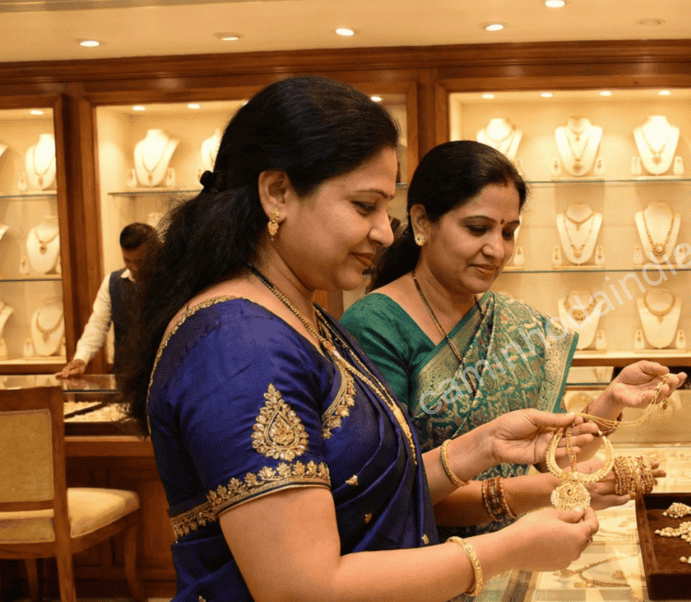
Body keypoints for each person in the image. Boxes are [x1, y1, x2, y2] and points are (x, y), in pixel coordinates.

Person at [120, 76, 599, 602]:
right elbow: (300, 586)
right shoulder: (238, 345)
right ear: (278, 192)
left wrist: (478, 448)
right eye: (363, 206)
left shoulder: (294, 312)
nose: (385, 232)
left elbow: (362, 492)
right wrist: (506, 550)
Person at [342, 140, 687, 538]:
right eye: (477, 228)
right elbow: (391, 492)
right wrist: (550, 492)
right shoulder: (376, 326)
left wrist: (610, 402)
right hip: (425, 565)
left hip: (516, 555)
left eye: (508, 232)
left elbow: (551, 456)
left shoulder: (514, 323)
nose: (497, 249)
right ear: (422, 223)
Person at [56, 222, 158, 378]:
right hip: (125, 377)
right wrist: (81, 359)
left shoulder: (171, 282)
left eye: (140, 261)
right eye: (127, 261)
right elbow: (97, 325)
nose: (134, 267)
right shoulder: (113, 282)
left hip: (164, 375)